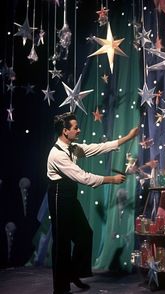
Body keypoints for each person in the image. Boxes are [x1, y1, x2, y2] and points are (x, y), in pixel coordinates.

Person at [47, 112, 139, 294]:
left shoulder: (73, 147)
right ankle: (60, 289)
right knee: (62, 243)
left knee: (85, 235)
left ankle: (73, 273)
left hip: (69, 196)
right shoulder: (57, 154)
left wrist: (127, 138)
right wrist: (111, 179)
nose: (79, 130)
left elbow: (98, 147)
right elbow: (83, 177)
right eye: (75, 128)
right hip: (59, 195)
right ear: (65, 131)